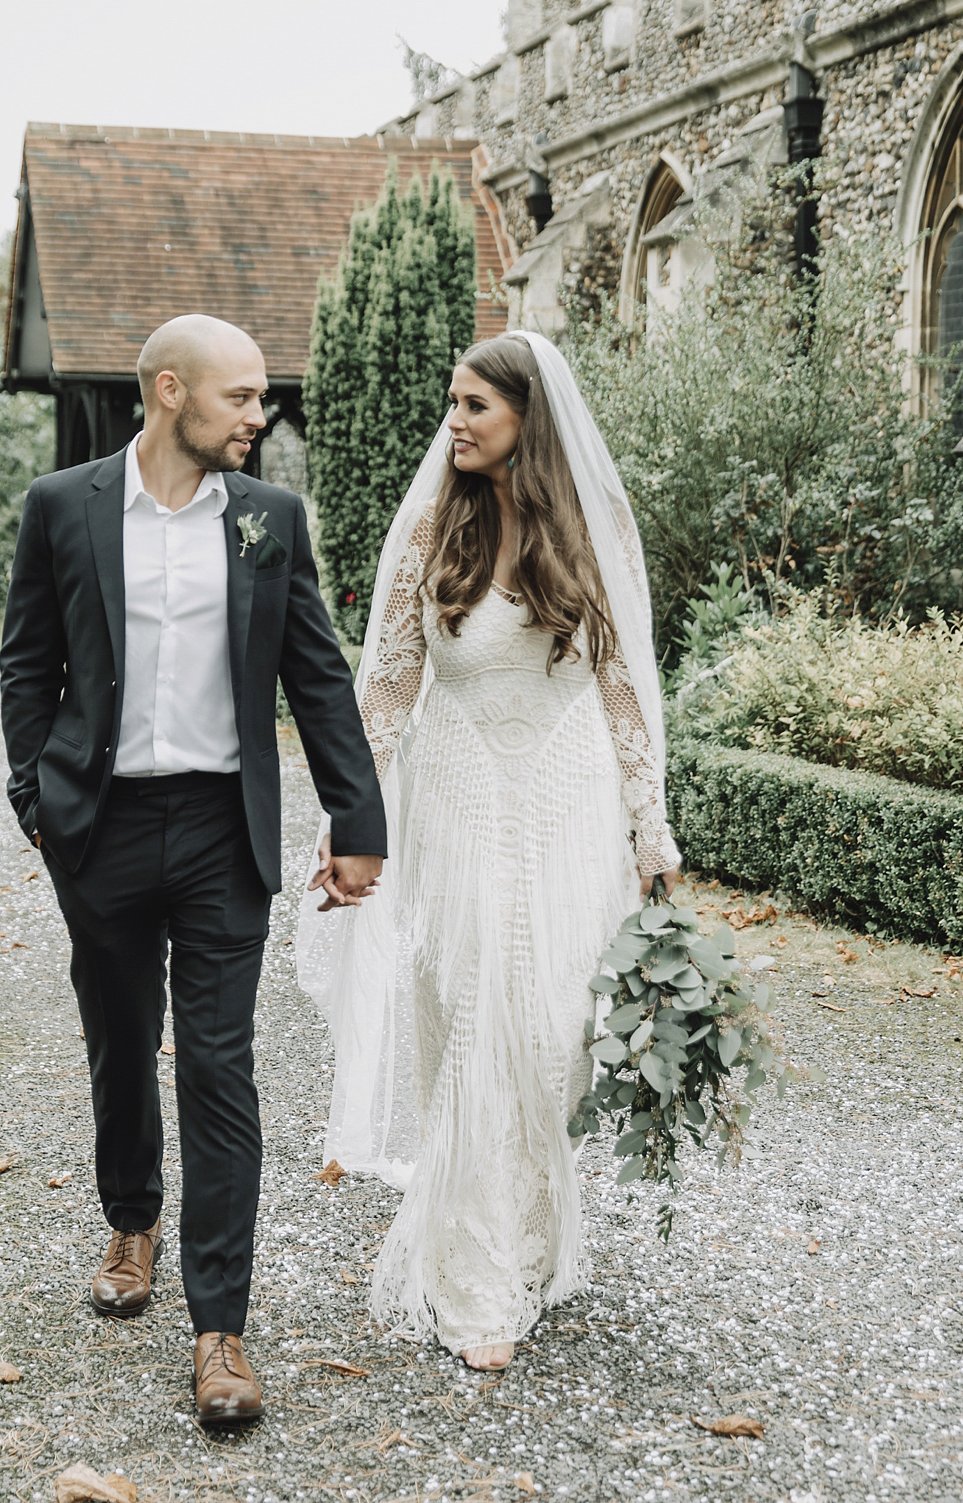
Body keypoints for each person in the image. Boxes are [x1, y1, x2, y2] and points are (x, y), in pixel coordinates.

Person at [0, 314, 385, 1423]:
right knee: (121, 1039)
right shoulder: (61, 507)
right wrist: (38, 801)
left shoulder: (270, 520)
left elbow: (317, 677)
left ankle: (222, 1330)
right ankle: (133, 1220)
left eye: (260, 398)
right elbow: (29, 662)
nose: (260, 417)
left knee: (220, 1066)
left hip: (224, 832)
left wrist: (357, 819)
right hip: (101, 827)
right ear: (171, 392)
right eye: (242, 398)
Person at [297, 329, 680, 1370]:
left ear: (529, 421)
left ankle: (529, 1235)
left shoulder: (597, 529)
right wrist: (350, 819)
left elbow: (623, 689)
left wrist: (652, 829)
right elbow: (386, 687)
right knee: (473, 1003)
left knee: (554, 1022)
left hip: (566, 791)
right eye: (454, 404)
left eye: (475, 407)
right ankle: (473, 1280)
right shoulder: (433, 528)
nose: (454, 423)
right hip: (459, 783)